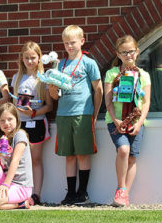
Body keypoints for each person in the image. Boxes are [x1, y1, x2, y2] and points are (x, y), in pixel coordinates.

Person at [48, 25, 103, 205]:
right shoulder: (60, 65)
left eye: (72, 42)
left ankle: (83, 192)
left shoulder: (89, 63)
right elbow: (55, 95)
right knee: (69, 155)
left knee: (82, 154)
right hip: (64, 114)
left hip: (83, 113)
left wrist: (94, 114)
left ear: (82, 41)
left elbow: (98, 90)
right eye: (66, 43)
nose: (69, 46)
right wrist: (52, 89)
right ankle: (70, 193)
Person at [103, 35, 151, 207]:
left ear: (137, 52)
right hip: (115, 120)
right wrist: (116, 121)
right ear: (118, 54)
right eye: (124, 52)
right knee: (123, 150)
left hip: (136, 121)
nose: (128, 55)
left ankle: (125, 195)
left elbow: (146, 102)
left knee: (131, 157)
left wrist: (139, 123)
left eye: (131, 52)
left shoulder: (144, 75)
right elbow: (108, 101)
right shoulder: (112, 74)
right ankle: (121, 188)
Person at [10, 41, 53, 205]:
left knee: (35, 160)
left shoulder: (43, 79)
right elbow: (14, 103)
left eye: (33, 58)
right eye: (26, 58)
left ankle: (36, 194)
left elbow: (49, 106)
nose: (30, 61)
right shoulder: (16, 78)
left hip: (38, 123)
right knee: (19, 160)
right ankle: (19, 193)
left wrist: (33, 112)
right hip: (20, 125)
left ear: (39, 58)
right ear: (22, 59)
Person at [0, 103, 33, 210]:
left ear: (17, 120)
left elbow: (15, 161)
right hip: (7, 181)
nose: (6, 123)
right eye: (2, 121)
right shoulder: (2, 138)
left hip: (21, 186)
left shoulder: (20, 135)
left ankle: (21, 203)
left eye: (10, 119)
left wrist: (6, 185)